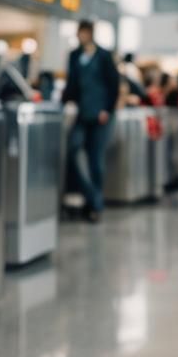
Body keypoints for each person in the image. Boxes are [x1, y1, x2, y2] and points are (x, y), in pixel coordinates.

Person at [63, 20, 120, 222]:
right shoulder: (74, 56)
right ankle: (91, 196)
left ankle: (94, 205)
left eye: (84, 32)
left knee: (95, 159)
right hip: (83, 113)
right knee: (73, 149)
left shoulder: (104, 56)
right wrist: (64, 101)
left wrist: (107, 109)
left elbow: (114, 85)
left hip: (101, 115)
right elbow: (72, 84)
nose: (81, 36)